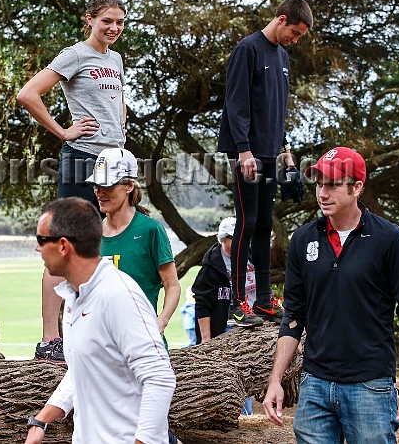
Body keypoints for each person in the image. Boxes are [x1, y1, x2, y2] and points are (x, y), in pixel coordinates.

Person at [263, 147, 399, 443]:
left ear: (357, 188)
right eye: (319, 184)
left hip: (370, 386)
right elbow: (294, 317)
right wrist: (275, 380)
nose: (323, 193)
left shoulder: (389, 239)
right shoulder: (302, 240)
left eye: (333, 185)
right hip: (315, 385)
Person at [17, 0, 128, 362]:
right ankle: (50, 340)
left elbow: (117, 101)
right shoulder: (74, 55)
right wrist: (63, 131)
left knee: (95, 252)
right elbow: (28, 94)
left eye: (119, 22)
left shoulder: (115, 58)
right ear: (90, 20)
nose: (113, 28)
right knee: (60, 246)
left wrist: (120, 132)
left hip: (111, 162)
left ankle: (87, 333)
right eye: (106, 21)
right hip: (81, 159)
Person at [24, 197, 176, 444]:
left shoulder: (118, 295)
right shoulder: (75, 295)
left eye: (42, 240)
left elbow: (160, 377)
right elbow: (83, 368)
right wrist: (42, 420)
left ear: (63, 246)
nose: (38, 249)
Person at [217, 0, 313, 325]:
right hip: (247, 153)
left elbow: (279, 110)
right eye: (294, 32)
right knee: (247, 220)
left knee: (265, 224)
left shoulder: (283, 57)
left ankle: (263, 301)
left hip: (272, 151)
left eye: (300, 36)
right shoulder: (248, 49)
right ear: (281, 19)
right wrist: (244, 151)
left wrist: (285, 150)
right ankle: (237, 301)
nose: (295, 40)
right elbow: (236, 104)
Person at [87, 148, 181, 341]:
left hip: (144, 345)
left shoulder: (150, 230)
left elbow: (172, 285)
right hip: (100, 347)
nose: (99, 192)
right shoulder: (90, 234)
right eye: (96, 184)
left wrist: (161, 322)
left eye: (107, 185)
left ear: (129, 186)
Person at [192, 217, 262, 345]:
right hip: (227, 327)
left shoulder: (251, 256)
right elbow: (202, 303)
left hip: (255, 321)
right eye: (235, 238)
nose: (240, 242)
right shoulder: (212, 268)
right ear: (224, 238)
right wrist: (206, 339)